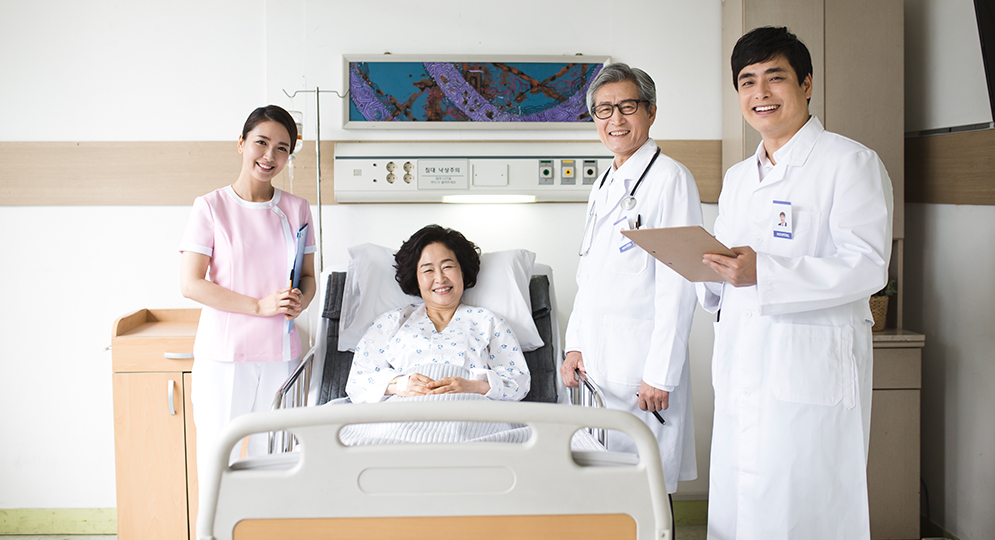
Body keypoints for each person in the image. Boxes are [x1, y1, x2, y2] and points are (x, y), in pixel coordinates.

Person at [699, 26, 893, 540]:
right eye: (747, 81)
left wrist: (765, 272)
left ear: (806, 84)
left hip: (809, 370)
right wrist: (703, 270)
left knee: (803, 507)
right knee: (741, 505)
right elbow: (728, 265)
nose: (760, 93)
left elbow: (867, 265)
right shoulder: (739, 177)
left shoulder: (849, 162)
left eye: (775, 78)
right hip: (743, 362)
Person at [560, 63, 702, 494]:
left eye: (627, 106)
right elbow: (589, 275)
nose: (615, 120)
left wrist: (660, 372)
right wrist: (574, 345)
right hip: (598, 369)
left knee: (647, 491)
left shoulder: (670, 180)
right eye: (604, 110)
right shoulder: (603, 183)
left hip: (642, 371)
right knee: (607, 491)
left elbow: (680, 283)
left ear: (651, 111)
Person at [179, 105, 317, 472]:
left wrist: (301, 300)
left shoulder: (298, 209)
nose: (270, 156)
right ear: (241, 143)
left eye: (282, 148)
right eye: (262, 142)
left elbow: (308, 277)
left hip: (281, 355)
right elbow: (191, 284)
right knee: (216, 461)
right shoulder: (211, 207)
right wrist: (258, 306)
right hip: (225, 355)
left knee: (274, 462)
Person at [346, 225, 530, 403]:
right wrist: (399, 384)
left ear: (462, 270)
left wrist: (474, 386)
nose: (440, 279)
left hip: (469, 414)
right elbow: (357, 384)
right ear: (416, 278)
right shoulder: (391, 322)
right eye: (428, 270)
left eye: (447, 267)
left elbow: (518, 383)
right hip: (402, 415)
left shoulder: (488, 322)